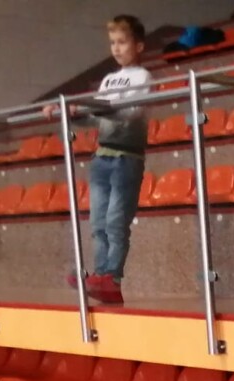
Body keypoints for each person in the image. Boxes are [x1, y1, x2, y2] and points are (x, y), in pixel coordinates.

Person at [44, 15, 151, 305]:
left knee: (116, 221)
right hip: (102, 156)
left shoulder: (142, 77)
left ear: (139, 45)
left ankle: (112, 277)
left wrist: (94, 107)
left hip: (127, 157)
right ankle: (101, 274)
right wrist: (70, 113)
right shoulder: (108, 79)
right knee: (98, 222)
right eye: (113, 43)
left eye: (123, 42)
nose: (116, 48)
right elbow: (96, 118)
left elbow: (130, 111)